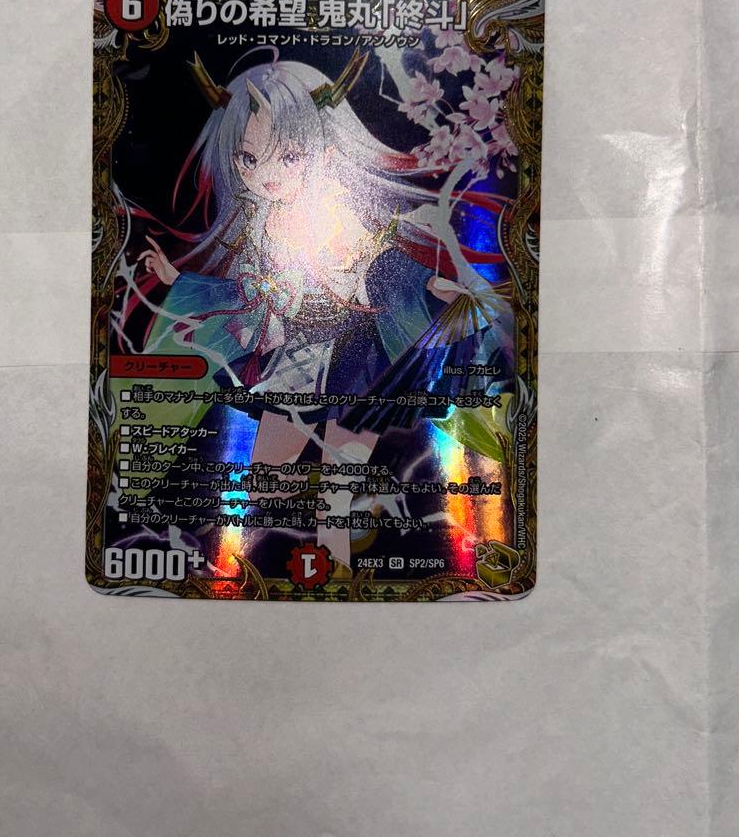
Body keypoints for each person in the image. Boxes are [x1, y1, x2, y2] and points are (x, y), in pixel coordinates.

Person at [130, 50, 513, 569]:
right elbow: (246, 291)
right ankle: (250, 572)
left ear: (322, 150)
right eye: (249, 159)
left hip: (357, 362)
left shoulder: (336, 209)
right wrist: (181, 281)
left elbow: (385, 267)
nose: (266, 175)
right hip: (293, 361)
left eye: (288, 157)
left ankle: (336, 574)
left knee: (338, 493)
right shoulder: (259, 222)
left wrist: (432, 287)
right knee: (267, 482)